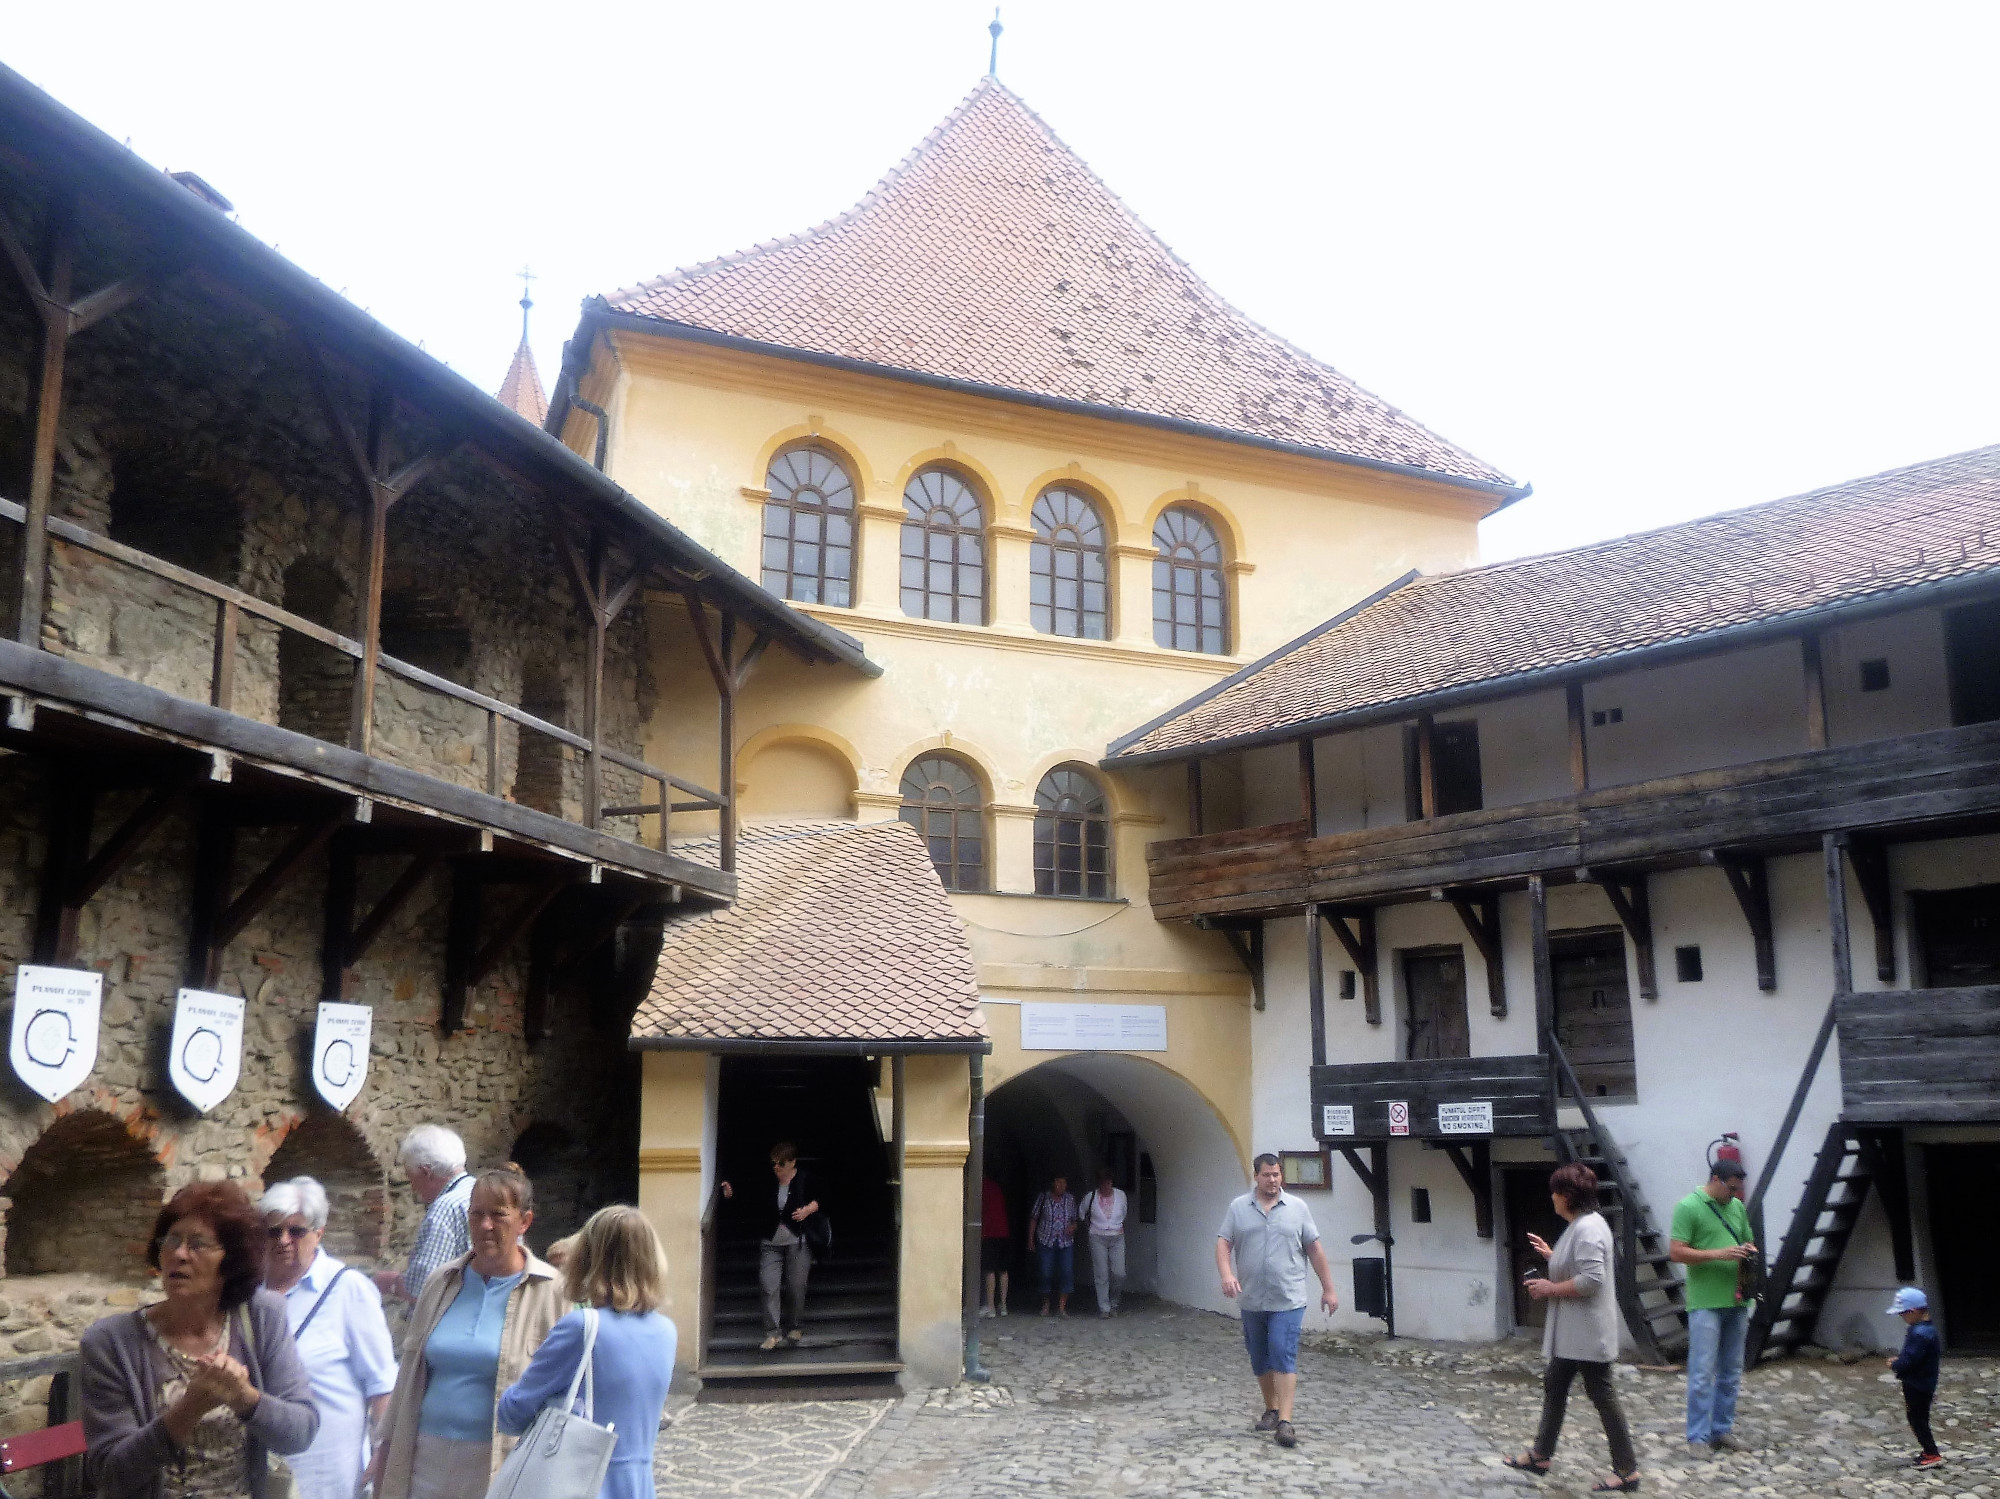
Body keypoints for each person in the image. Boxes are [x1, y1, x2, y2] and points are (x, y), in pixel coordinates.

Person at [80, 1180, 320, 1499]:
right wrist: (188, 1409)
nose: (179, 1254)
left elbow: (301, 1431)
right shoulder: (111, 1343)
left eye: (198, 1244)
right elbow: (111, 1473)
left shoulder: (262, 1316)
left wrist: (245, 1398)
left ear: (230, 1261)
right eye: (172, 1240)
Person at [372, 1169, 567, 1499]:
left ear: (524, 1221)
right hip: (425, 1456)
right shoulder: (442, 1282)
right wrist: (385, 1451)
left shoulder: (552, 1292)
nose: (485, 1225)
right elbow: (408, 1374)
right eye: (476, 1214)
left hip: (501, 1461)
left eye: (498, 1215)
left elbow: (563, 1391)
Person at [498, 1206, 677, 1499]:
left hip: (584, 1484)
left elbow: (512, 1414)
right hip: (637, 1486)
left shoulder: (582, 1328)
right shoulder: (666, 1332)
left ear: (589, 1258)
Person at [1501, 1163, 1640, 1492]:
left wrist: (1550, 1288)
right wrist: (1553, 1255)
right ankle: (1541, 1455)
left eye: (1555, 1192)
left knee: (1602, 1395)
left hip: (1587, 1334)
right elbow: (1581, 1265)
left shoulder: (1588, 1229)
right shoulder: (1582, 1226)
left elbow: (1592, 1280)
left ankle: (1627, 1470)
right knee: (1555, 1383)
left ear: (1566, 1196)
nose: (1551, 1197)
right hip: (1574, 1335)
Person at [262, 1175, 398, 1499]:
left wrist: (383, 1453)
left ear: (319, 1233)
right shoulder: (248, 1291)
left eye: (296, 1231)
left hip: (325, 1472)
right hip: (258, 1465)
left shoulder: (348, 1289)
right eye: (273, 1231)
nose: (283, 1240)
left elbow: (382, 1384)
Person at [1216, 1152, 1339, 1450]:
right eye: (1267, 1175)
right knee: (1259, 1356)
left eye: (1276, 1175)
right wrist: (1226, 1274)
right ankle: (1270, 1409)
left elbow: (1315, 1249)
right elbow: (1223, 1242)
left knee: (1282, 1353)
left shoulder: (1297, 1208)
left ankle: (1285, 1421)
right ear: (1256, 1176)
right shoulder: (1239, 1208)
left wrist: (1329, 1289)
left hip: (1288, 1297)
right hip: (1252, 1298)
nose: (1272, 1180)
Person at [1668, 1157, 1757, 1457]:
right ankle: (1697, 1436)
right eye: (1730, 1188)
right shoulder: (1688, 1207)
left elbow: (1748, 1240)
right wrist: (1719, 1254)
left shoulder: (1737, 1207)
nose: (1734, 1195)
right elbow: (1677, 1253)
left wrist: (1749, 1251)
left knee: (1732, 1369)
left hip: (1737, 1297)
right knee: (1703, 1371)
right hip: (1705, 1300)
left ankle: (1722, 1430)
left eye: (1737, 1190)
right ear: (1716, 1180)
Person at [719, 1142, 822, 1352]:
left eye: (781, 1163)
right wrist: (732, 1194)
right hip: (771, 1242)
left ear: (793, 1162)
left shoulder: (805, 1178)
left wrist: (808, 1210)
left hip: (798, 1241)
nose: (776, 1167)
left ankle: (795, 1326)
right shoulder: (767, 1181)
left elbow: (824, 1198)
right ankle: (772, 1333)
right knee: (768, 1285)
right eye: (774, 1163)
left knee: (796, 1286)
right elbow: (750, 1199)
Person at [375, 1125, 473, 1305]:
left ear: (426, 1172)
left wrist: (392, 1283)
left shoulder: (445, 1209)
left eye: (411, 1178)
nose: (413, 1188)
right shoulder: (478, 1191)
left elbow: (422, 1290)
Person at [1885, 1287, 1942, 1469]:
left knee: (1917, 1419)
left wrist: (1895, 1364)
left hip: (1917, 1383)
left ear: (1914, 1312)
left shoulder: (1919, 1334)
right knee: (1917, 1417)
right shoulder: (1926, 1330)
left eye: (1903, 1313)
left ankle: (1932, 1453)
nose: (1902, 1317)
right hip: (1923, 1381)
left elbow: (1910, 1360)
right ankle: (1929, 1451)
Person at [1027, 1173, 1078, 1317]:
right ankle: (1046, 1303)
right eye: (1058, 1182)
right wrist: (1030, 1239)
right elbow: (1034, 1218)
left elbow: (1075, 1220)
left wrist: (1073, 1227)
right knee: (1045, 1273)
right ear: (1052, 1183)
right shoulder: (1043, 1198)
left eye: (1064, 1182)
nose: (1061, 1185)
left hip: (1065, 1242)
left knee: (1066, 1272)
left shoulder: (1070, 1199)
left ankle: (1062, 1307)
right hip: (1046, 1240)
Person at [1083, 1167, 1129, 1318]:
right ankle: (1104, 1307)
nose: (1106, 1186)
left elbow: (1124, 1212)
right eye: (1103, 1183)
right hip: (1097, 1236)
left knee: (1119, 1272)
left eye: (1108, 1183)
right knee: (1101, 1273)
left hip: (1117, 1236)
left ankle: (1115, 1302)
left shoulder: (1121, 1195)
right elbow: (1082, 1213)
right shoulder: (1091, 1196)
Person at [979, 1176, 1011, 1318]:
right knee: (1003, 1270)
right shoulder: (998, 1187)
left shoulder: (980, 1186)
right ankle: (1003, 1305)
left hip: (989, 1231)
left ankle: (990, 1307)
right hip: (1003, 1231)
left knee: (989, 1270)